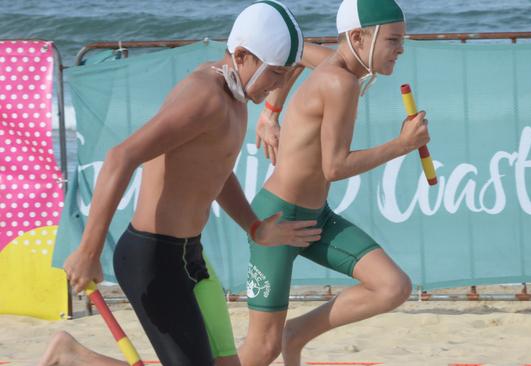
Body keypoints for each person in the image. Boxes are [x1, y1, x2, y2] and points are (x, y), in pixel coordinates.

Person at [38, 2, 320, 366]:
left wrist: (254, 226)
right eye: (276, 73)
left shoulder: (236, 97)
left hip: (190, 256)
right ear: (242, 55)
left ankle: (71, 355)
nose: (280, 84)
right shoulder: (206, 96)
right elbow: (121, 157)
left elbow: (216, 172)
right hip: (152, 259)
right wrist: (89, 249)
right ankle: (72, 357)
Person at [239, 0, 429, 365]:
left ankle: (296, 332)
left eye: (402, 40)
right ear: (358, 37)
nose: (401, 49)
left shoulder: (336, 61)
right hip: (277, 219)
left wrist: (270, 113)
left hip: (315, 217)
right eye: (393, 40)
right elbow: (335, 167)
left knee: (393, 286)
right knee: (261, 348)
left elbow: (293, 53)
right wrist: (402, 144)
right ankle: (283, 337)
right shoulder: (340, 82)